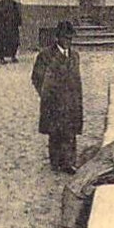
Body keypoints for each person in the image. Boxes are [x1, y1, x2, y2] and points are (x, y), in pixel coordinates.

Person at [32, 21, 83, 173]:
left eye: (70, 38)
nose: (68, 42)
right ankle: (56, 161)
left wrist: (77, 98)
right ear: (57, 38)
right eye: (65, 38)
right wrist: (46, 95)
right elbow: (37, 78)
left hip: (72, 101)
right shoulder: (45, 55)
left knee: (70, 133)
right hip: (53, 102)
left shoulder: (75, 56)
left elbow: (76, 79)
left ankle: (69, 162)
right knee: (55, 133)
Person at [0, 0, 22, 64]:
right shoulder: (1, 4)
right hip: (3, 27)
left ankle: (13, 56)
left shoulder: (14, 4)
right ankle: (2, 58)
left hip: (13, 27)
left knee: (14, 42)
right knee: (2, 42)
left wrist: (19, 23)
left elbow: (17, 15)